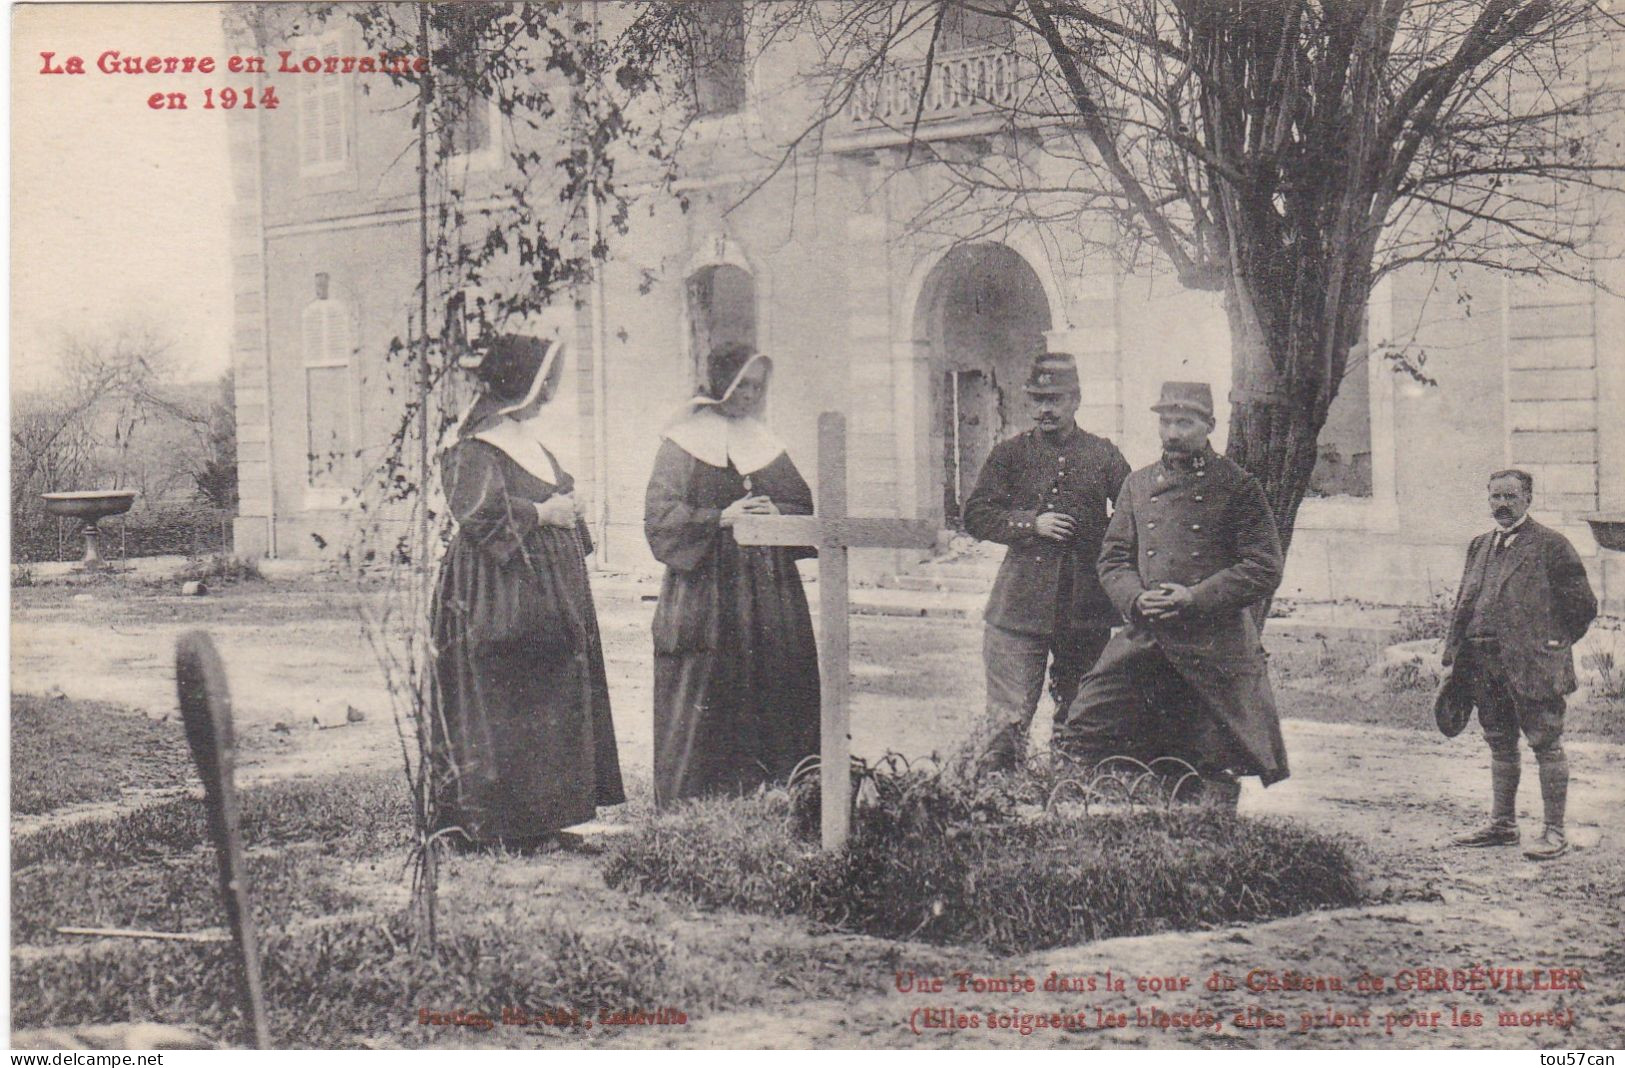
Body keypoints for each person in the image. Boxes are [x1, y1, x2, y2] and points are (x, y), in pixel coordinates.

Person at [429, 334, 624, 848]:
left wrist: (571, 501)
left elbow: (550, 486)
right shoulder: (469, 446)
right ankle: (500, 826)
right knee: (510, 689)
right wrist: (543, 512)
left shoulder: (524, 438)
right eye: (543, 385)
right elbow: (478, 512)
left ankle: (546, 821)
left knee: (550, 692)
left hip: (545, 588)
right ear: (518, 385)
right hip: (496, 589)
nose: (548, 396)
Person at [1055, 381, 1289, 805]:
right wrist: (1135, 598)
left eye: (1186, 421)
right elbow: (1113, 559)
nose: (1174, 432)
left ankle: (1212, 837)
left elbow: (1264, 566)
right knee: (1087, 722)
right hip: (1148, 635)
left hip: (1213, 644)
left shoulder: (1237, 487)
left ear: (1209, 426)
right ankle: (1125, 823)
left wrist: (1195, 597)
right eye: (1166, 421)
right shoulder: (1138, 485)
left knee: (1212, 754)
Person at [644, 342, 820, 806]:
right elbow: (660, 518)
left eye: (757, 386)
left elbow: (803, 505)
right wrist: (721, 517)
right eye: (742, 384)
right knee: (710, 680)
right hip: (707, 587)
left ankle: (774, 789)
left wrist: (773, 510)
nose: (749, 394)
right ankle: (702, 797)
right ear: (722, 384)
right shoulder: (682, 443)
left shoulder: (764, 442)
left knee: (776, 674)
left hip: (769, 589)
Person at [962, 352, 1131, 774]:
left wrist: (1099, 533)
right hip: (1019, 606)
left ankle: (1069, 795)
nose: (1044, 409)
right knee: (1007, 718)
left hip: (1085, 609)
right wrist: (1029, 523)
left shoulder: (1103, 455)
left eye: (1054, 399)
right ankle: (999, 797)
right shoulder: (1009, 455)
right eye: (1036, 399)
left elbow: (1132, 515)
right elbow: (976, 515)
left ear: (1076, 400)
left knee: (1081, 714)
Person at [1441, 469, 1597, 860]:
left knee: (1545, 742)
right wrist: (1450, 656)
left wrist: (1554, 643)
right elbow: (1464, 603)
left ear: (1528, 498)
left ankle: (1554, 831)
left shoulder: (1551, 545)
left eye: (1510, 496)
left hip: (1532, 665)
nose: (1502, 505)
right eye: (1495, 497)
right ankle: (1503, 824)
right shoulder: (1479, 545)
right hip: (1482, 664)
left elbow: (1583, 605)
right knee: (1499, 741)